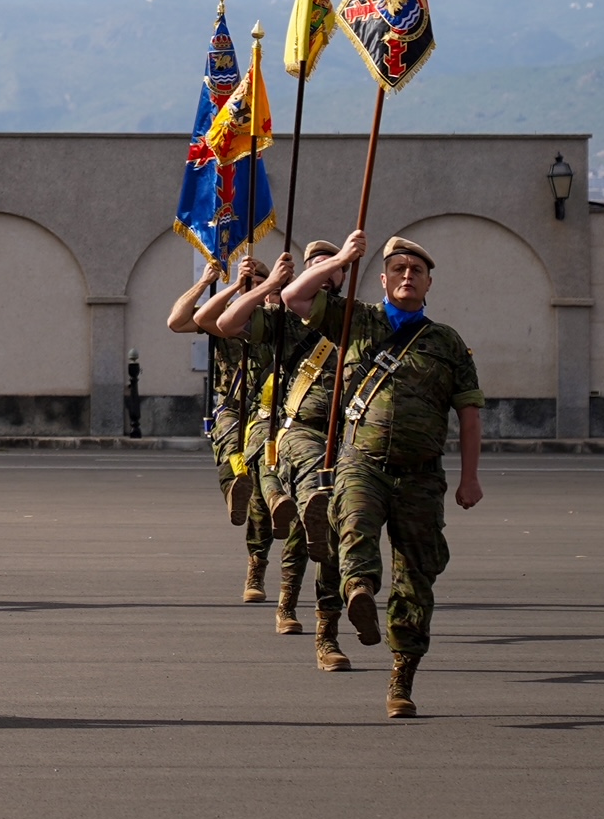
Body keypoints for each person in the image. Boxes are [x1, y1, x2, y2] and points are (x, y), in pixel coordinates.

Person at [281, 233, 485, 718]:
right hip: (362, 461)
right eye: (398, 269)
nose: (407, 276)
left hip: (421, 475)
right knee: (352, 527)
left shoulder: (447, 342)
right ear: (383, 279)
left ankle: (402, 677)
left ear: (429, 283)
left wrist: (470, 478)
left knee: (416, 575)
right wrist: (342, 257)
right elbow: (294, 297)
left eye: (416, 271)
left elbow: (470, 414)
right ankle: (359, 593)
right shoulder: (357, 319)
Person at [210, 237, 356, 669]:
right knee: (301, 526)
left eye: (333, 264)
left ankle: (328, 627)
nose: (325, 270)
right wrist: (266, 284)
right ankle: (290, 605)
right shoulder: (286, 320)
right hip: (293, 432)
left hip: (348, 437)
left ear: (345, 273)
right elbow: (225, 323)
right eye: (316, 263)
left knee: (327, 536)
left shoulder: (360, 319)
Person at [166, 254, 267, 595]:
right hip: (235, 409)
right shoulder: (223, 318)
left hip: (273, 414)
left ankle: (258, 563)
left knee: (265, 497)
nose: (254, 291)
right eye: (249, 285)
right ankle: (234, 487)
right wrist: (208, 283)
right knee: (231, 447)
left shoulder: (285, 322)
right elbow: (177, 321)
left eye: (260, 284)